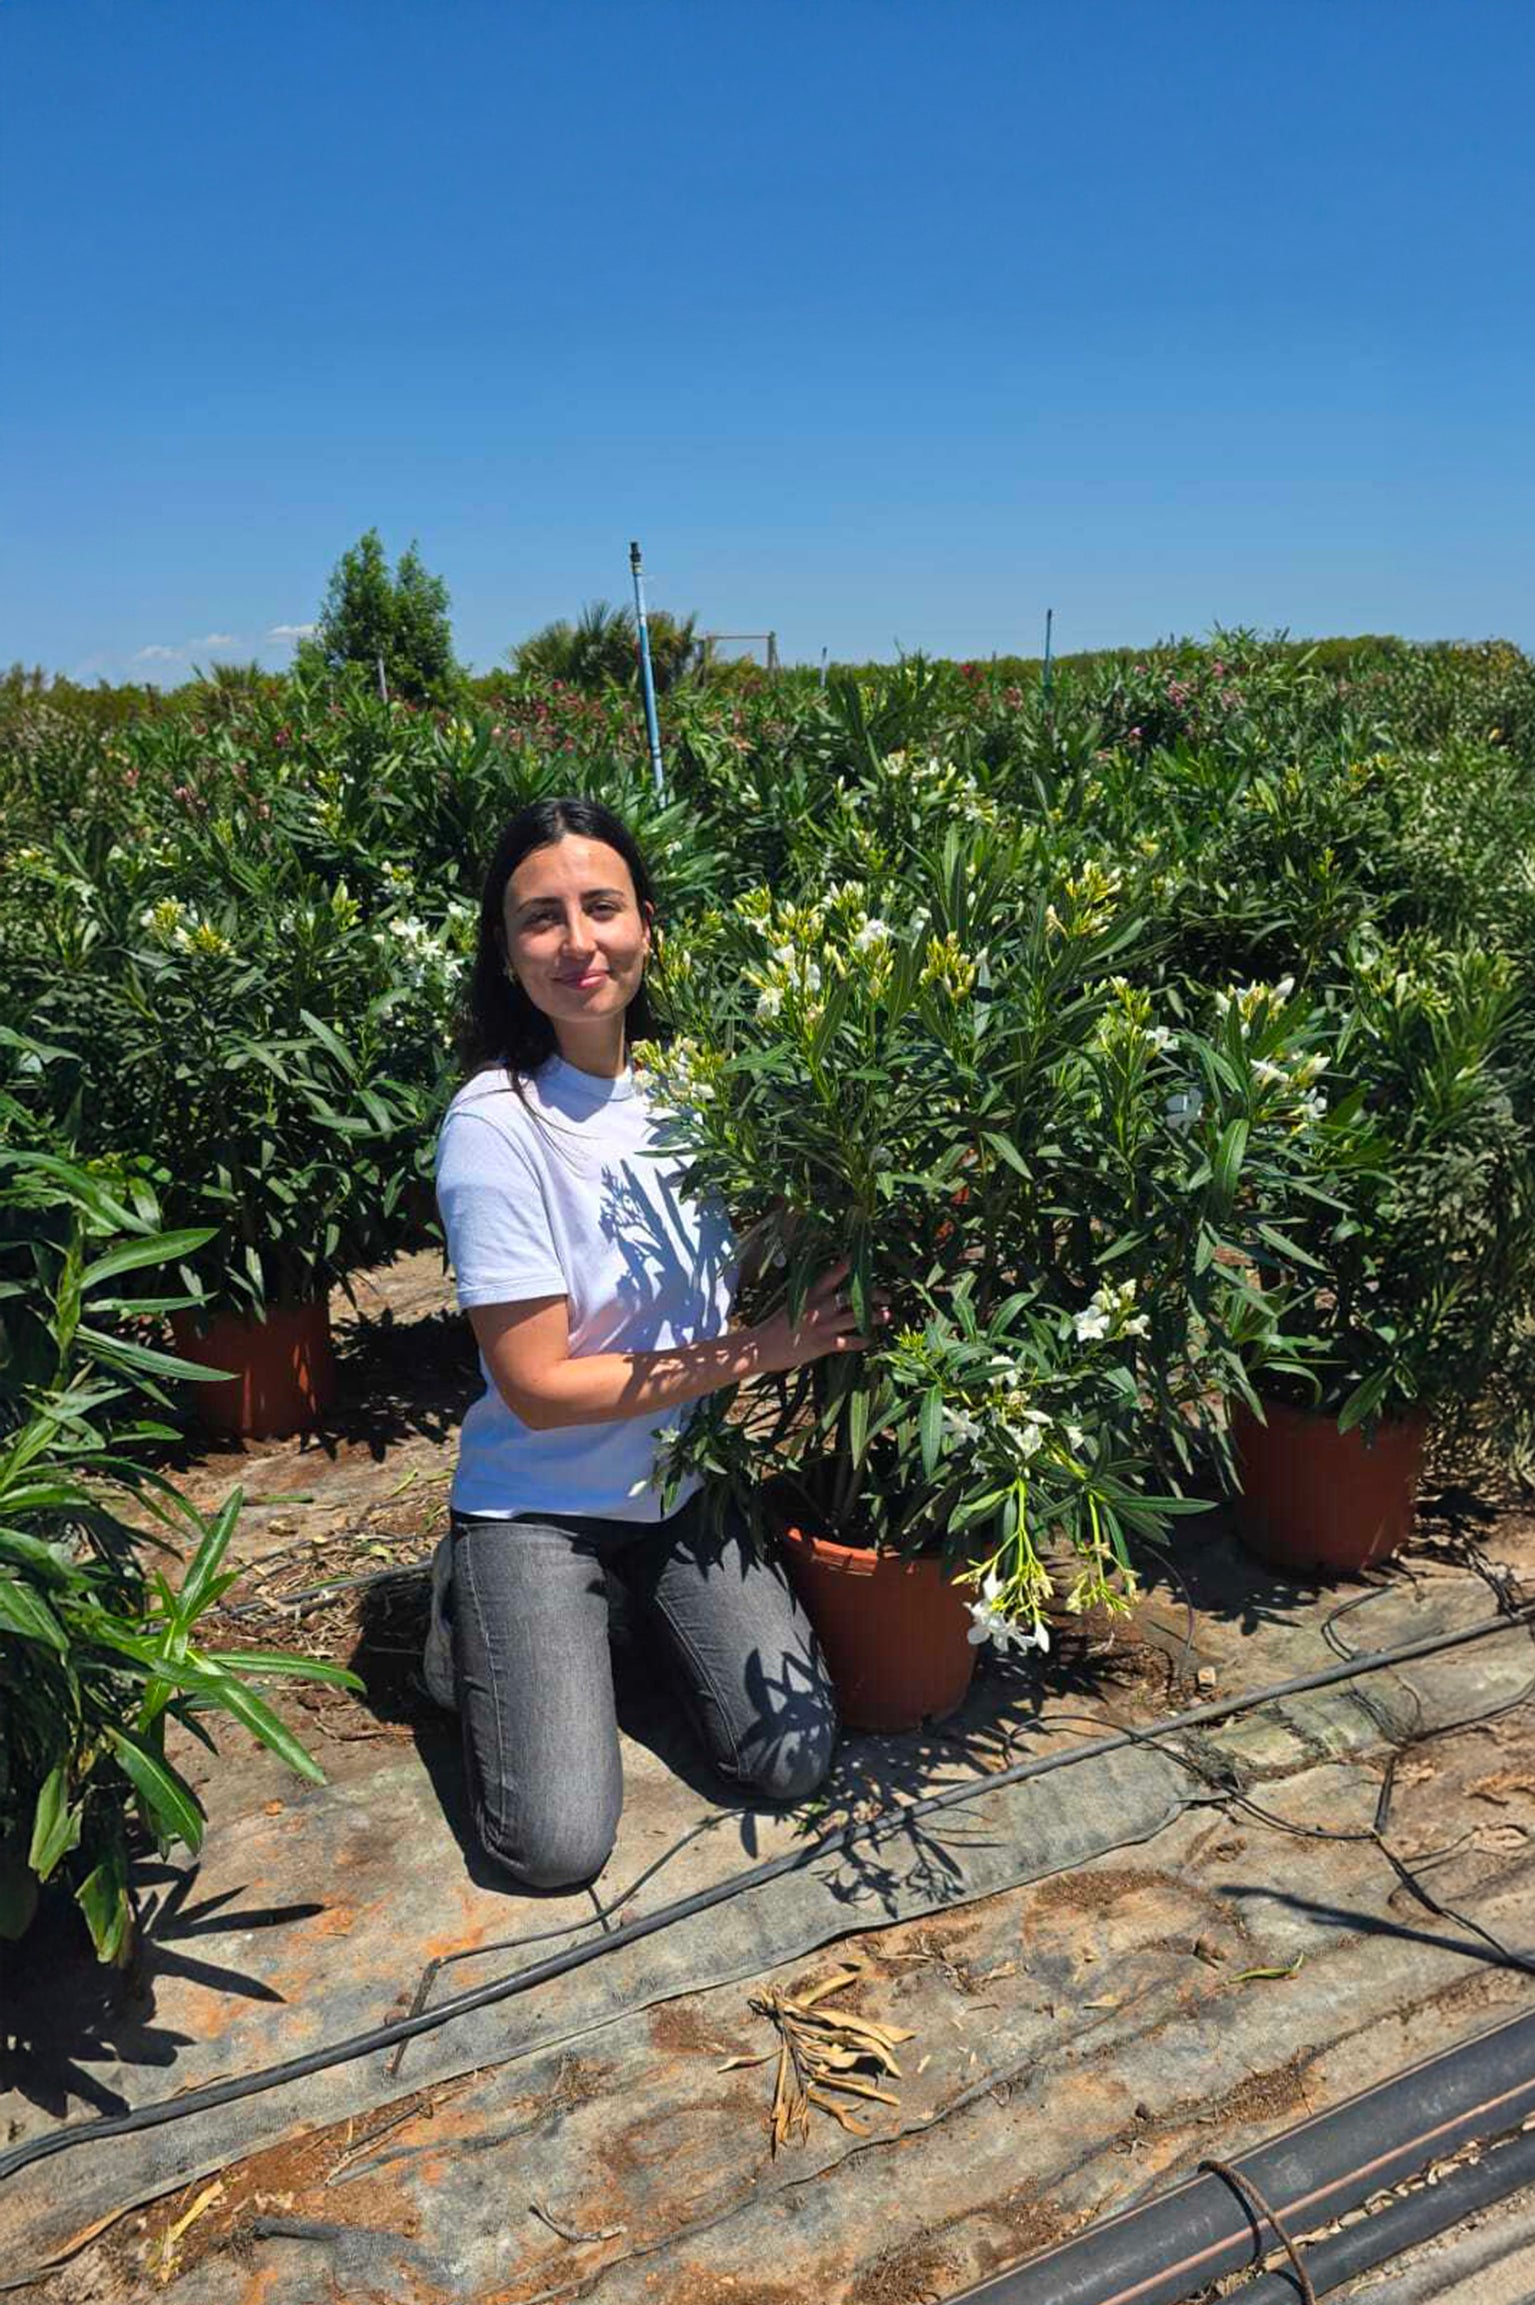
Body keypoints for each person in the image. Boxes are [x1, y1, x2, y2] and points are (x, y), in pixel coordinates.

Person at [428, 796, 877, 1890]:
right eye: (541, 919)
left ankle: (601, 1634)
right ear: (505, 950)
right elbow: (535, 1386)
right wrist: (757, 1352)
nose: (577, 943)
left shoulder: (695, 1090)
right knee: (555, 1848)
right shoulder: (495, 1124)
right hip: (538, 1505)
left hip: (680, 1494)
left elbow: (740, 1240)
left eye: (601, 907)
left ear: (646, 926)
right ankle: (474, 1617)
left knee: (790, 1757)